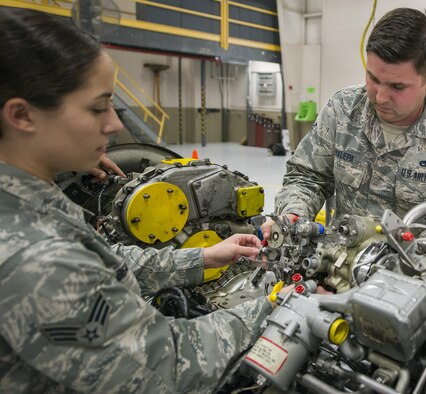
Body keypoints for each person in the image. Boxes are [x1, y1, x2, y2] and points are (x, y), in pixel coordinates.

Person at [0, 8, 273, 393]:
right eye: (98, 107)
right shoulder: (36, 258)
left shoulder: (26, 199)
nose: (113, 123)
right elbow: (170, 367)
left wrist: (204, 258)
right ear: (22, 115)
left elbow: (103, 265)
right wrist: (274, 306)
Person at [265, 7, 426, 237]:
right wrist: (294, 215)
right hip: (339, 262)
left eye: (397, 87)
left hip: (408, 270)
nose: (380, 96)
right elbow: (307, 177)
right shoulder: (342, 110)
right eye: (373, 78)